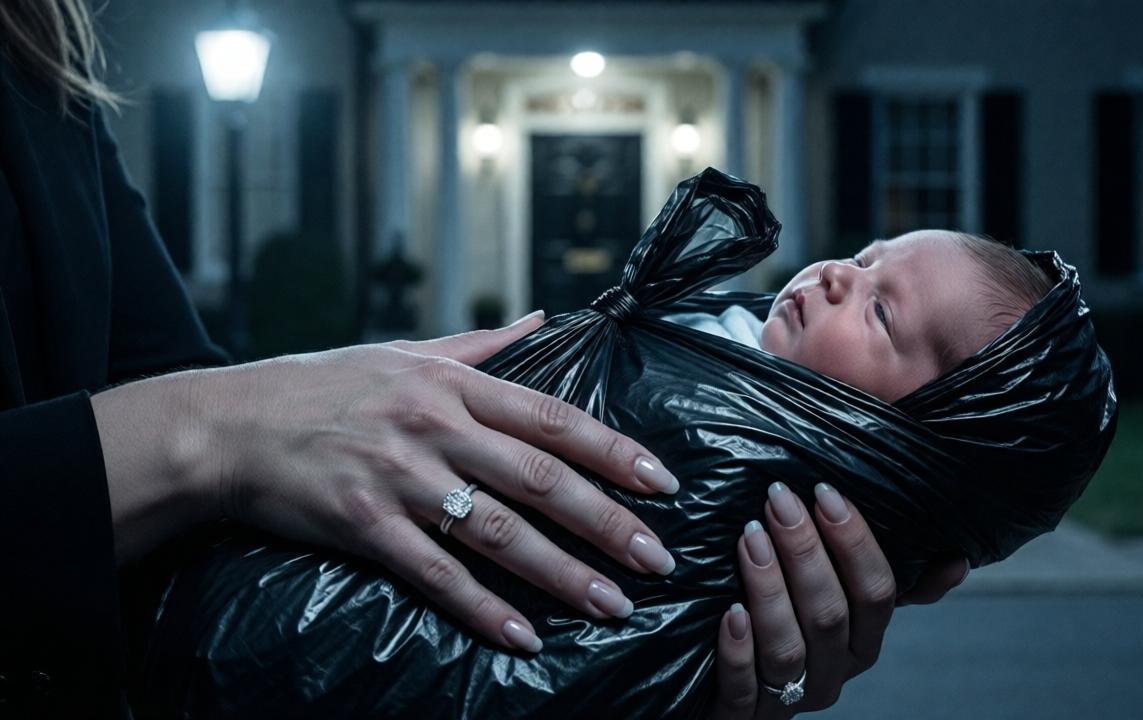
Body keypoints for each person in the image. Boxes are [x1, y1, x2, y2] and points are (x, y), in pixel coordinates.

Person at [0, 2, 964, 717]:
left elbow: (168, 405)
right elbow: (200, 420)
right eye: (864, 264)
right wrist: (217, 432)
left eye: (885, 304)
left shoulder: (42, 60)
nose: (838, 273)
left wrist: (683, 661)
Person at [673, 229, 1053, 403]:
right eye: (862, 259)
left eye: (880, 312)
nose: (835, 273)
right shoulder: (744, 331)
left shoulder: (754, 423)